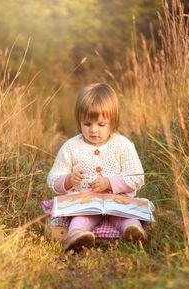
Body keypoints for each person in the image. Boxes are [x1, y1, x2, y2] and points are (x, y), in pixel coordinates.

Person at [46, 83, 147, 251]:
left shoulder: (123, 145)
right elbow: (53, 179)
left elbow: (137, 177)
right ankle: (77, 235)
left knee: (127, 217)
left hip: (117, 203)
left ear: (113, 122)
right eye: (87, 124)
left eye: (101, 124)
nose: (93, 130)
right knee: (81, 218)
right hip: (85, 204)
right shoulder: (71, 147)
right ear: (79, 121)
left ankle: (133, 232)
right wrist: (69, 180)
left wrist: (109, 183)